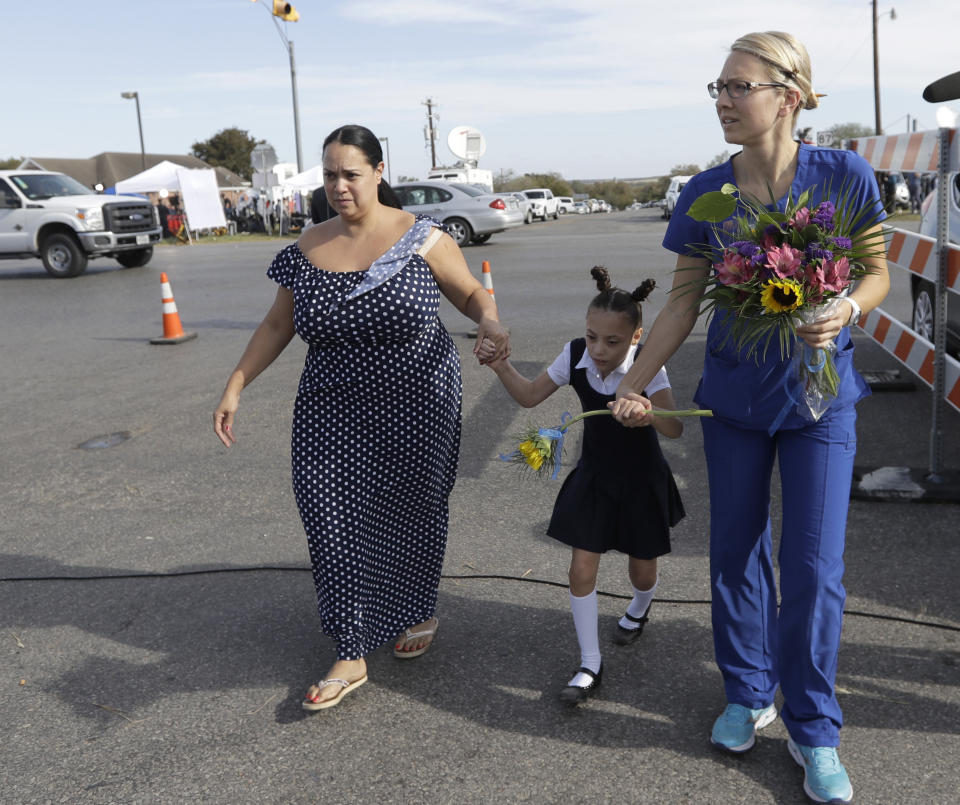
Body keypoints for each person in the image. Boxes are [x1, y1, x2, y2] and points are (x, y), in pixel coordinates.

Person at [610, 32, 889, 804]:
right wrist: (632, 383)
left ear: (789, 95)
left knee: (812, 568)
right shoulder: (707, 193)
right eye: (719, 88)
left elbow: (877, 270)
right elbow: (679, 303)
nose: (725, 101)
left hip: (819, 400)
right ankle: (748, 691)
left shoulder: (843, 176)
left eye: (739, 87)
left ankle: (815, 727)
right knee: (734, 552)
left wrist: (845, 307)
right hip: (731, 401)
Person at [213, 124, 510, 712]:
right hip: (331, 407)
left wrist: (492, 323)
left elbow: (473, 296)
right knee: (329, 513)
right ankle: (351, 648)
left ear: (378, 172)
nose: (339, 186)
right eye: (329, 175)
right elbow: (278, 325)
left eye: (351, 173)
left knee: (411, 509)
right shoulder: (306, 248)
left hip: (418, 399)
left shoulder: (423, 237)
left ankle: (415, 606)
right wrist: (236, 382)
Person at [484, 266, 684, 705]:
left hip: (641, 480)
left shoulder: (649, 361)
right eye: (592, 336)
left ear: (635, 337)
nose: (598, 349)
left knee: (642, 572)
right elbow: (530, 395)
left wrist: (649, 413)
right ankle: (589, 662)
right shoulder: (575, 354)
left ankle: (638, 607)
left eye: (612, 341)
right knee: (580, 569)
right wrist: (501, 366)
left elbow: (675, 431)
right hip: (594, 476)